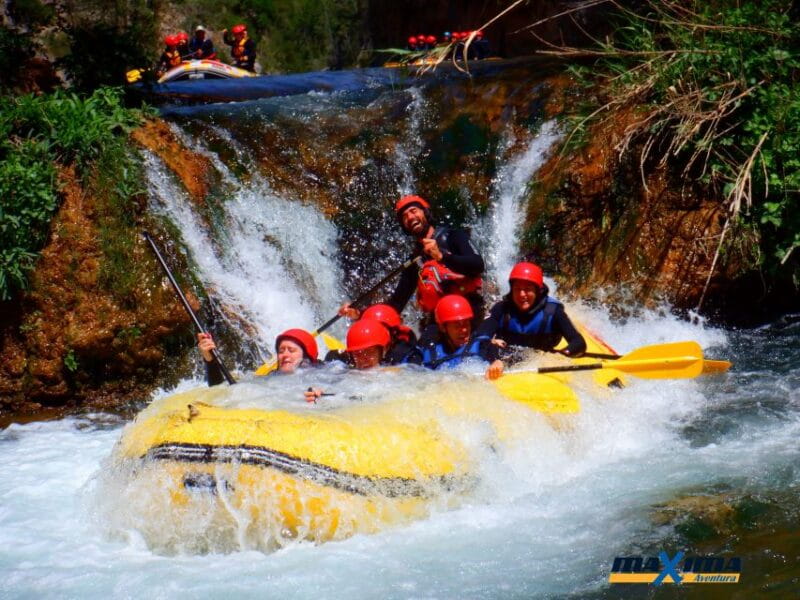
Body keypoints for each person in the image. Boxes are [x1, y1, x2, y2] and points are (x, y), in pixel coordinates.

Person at [481, 262, 586, 358]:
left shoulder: (553, 312)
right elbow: (479, 337)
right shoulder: (501, 309)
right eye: (517, 289)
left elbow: (578, 342)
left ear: (538, 291)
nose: (522, 294)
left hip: (539, 363)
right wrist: (490, 341)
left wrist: (563, 355)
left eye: (527, 289)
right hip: (505, 361)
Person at [405, 295, 504, 379]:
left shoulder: (480, 344)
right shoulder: (428, 350)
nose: (464, 330)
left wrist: (498, 362)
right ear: (443, 328)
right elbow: (407, 370)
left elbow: (492, 351)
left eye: (466, 324)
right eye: (457, 326)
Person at [305, 319, 390, 402]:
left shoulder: (391, 373)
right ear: (351, 355)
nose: (364, 358)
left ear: (383, 350)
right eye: (358, 353)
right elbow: (323, 381)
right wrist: (316, 391)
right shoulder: (342, 370)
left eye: (370, 352)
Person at [197, 328, 318, 386]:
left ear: (306, 358)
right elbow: (222, 391)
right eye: (281, 351)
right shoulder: (268, 379)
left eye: (291, 350)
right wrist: (210, 360)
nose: (285, 355)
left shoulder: (324, 375)